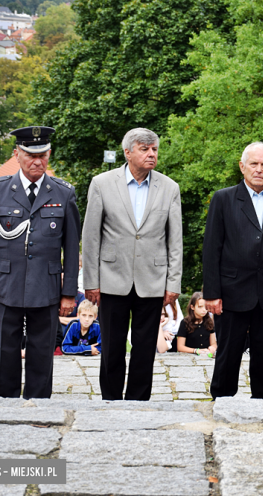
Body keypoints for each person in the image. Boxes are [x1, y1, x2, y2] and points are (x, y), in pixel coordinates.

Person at [0, 126, 80, 399]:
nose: (37, 161)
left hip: (46, 287)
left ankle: (39, 408)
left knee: (42, 352)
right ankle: (3, 405)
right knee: (4, 351)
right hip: (6, 285)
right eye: (30, 155)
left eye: (43, 155)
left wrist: (69, 294)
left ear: (49, 154)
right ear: (17, 154)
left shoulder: (63, 193)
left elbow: (71, 247)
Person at [83, 127, 182, 401]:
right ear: (127, 153)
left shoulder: (169, 188)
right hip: (111, 278)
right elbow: (90, 237)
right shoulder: (102, 183)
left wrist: (173, 283)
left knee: (144, 346)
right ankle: (111, 400)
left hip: (152, 280)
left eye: (154, 149)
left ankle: (139, 401)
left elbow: (175, 241)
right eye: (144, 149)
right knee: (112, 347)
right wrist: (91, 282)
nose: (151, 154)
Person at [204, 142, 263, 399]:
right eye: (254, 164)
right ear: (242, 166)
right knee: (228, 350)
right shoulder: (223, 198)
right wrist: (211, 293)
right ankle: (222, 399)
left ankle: (262, 402)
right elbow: (212, 248)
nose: (258, 169)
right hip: (232, 290)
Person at [176, 292, 216, 356]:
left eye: (205, 307)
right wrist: (196, 350)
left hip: (206, 356)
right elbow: (180, 347)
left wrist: (212, 348)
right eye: (200, 307)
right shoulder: (184, 323)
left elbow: (213, 343)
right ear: (192, 307)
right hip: (189, 357)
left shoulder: (209, 322)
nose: (204, 310)